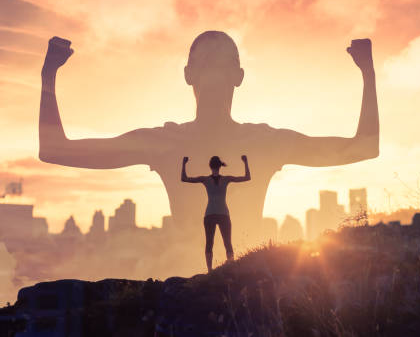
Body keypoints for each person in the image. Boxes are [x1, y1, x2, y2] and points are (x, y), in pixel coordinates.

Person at [39, 31, 378, 249]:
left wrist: (368, 72)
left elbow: (364, 146)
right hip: (188, 291)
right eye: (206, 61)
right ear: (189, 75)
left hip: (248, 288)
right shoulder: (166, 141)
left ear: (239, 76)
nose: (215, 69)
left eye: (224, 60)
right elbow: (56, 150)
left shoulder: (263, 141)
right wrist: (48, 76)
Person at [181, 155, 251, 272]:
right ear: (220, 166)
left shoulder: (207, 179)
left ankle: (210, 270)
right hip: (221, 214)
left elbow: (184, 178)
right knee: (226, 242)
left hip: (212, 214)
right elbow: (247, 177)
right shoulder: (225, 179)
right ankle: (229, 266)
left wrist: (184, 163)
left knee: (211, 242)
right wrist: (245, 162)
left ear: (210, 166)